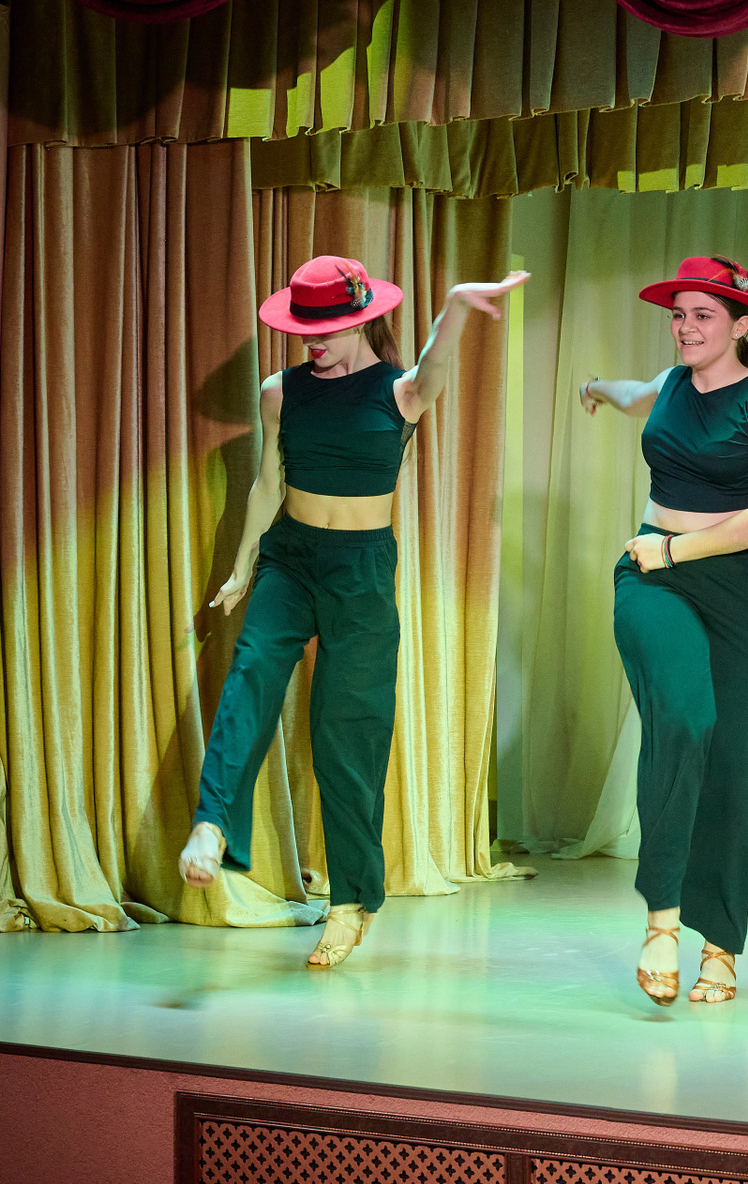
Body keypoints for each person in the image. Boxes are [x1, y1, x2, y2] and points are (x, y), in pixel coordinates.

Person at [178, 256, 529, 968]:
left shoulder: (400, 391)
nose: (312, 342)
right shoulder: (281, 391)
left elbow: (436, 359)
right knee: (251, 673)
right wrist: (243, 565)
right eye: (303, 330)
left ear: (364, 321)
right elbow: (268, 482)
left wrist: (459, 303)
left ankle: (349, 902)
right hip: (290, 558)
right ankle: (212, 823)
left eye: (327, 330)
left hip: (362, 572)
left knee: (348, 738)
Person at [578, 255, 748, 1006]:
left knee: (735, 760)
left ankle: (722, 945)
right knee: (683, 717)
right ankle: (662, 920)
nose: (685, 327)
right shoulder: (670, 384)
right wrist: (596, 388)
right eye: (679, 314)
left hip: (735, 588)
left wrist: (678, 549)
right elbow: (634, 395)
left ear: (740, 324)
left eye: (703, 315)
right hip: (652, 576)